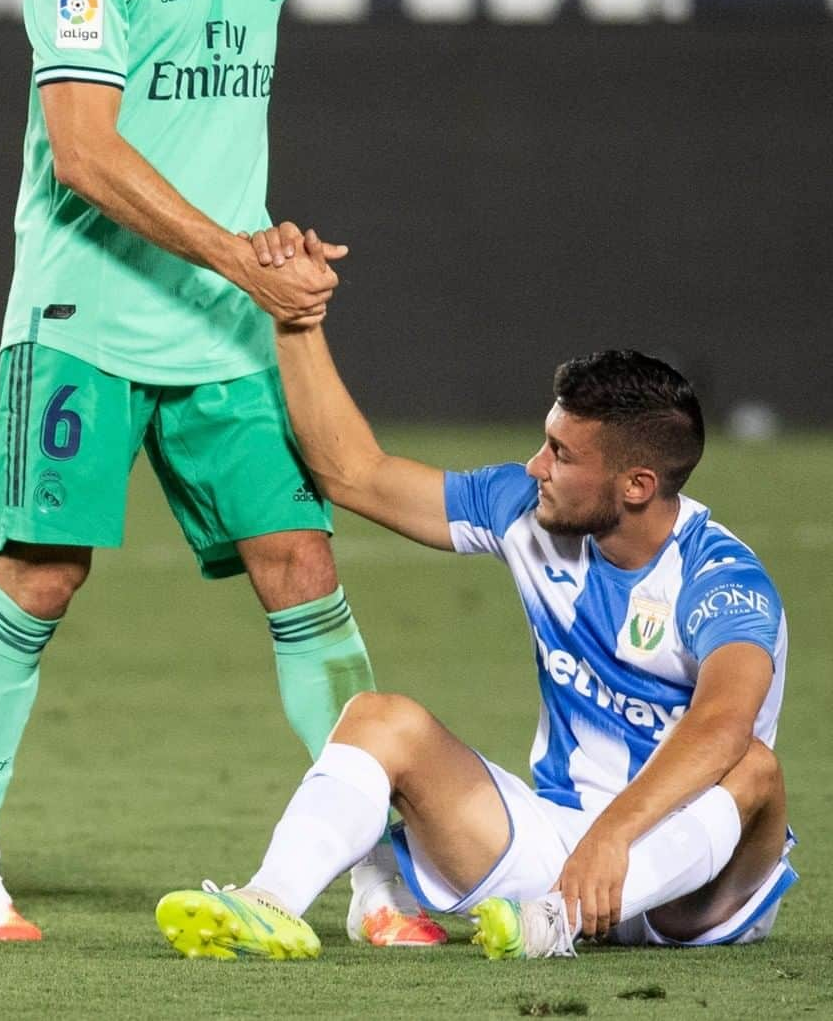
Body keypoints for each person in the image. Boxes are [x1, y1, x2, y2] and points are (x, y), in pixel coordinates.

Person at [0, 0, 442, 947]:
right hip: (82, 318)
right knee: (39, 576)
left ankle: (375, 877)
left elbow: (213, 133)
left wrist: (264, 247)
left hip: (219, 322)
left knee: (304, 568)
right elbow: (88, 152)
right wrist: (236, 255)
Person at [155, 232, 795, 960]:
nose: (535, 464)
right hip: (558, 844)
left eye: (561, 452)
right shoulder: (527, 506)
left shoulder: (722, 579)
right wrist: (295, 318)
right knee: (378, 718)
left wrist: (614, 836)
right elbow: (354, 472)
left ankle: (556, 921)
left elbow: (720, 726)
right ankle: (268, 902)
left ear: (638, 485)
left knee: (753, 767)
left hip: (696, 884)